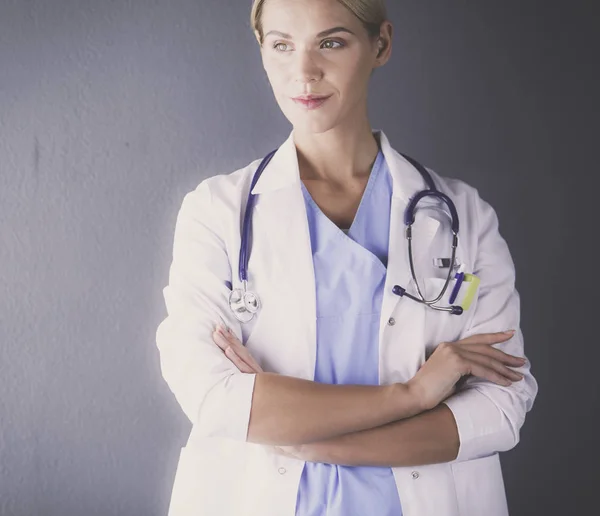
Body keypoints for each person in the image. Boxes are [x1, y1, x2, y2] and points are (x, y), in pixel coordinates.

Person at [155, 0, 538, 515]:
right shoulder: (218, 212)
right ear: (262, 51)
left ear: (380, 45)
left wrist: (307, 441)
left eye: (331, 42)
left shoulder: (464, 217)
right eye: (282, 45)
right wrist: (414, 396)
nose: (304, 71)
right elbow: (214, 397)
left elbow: (500, 405)